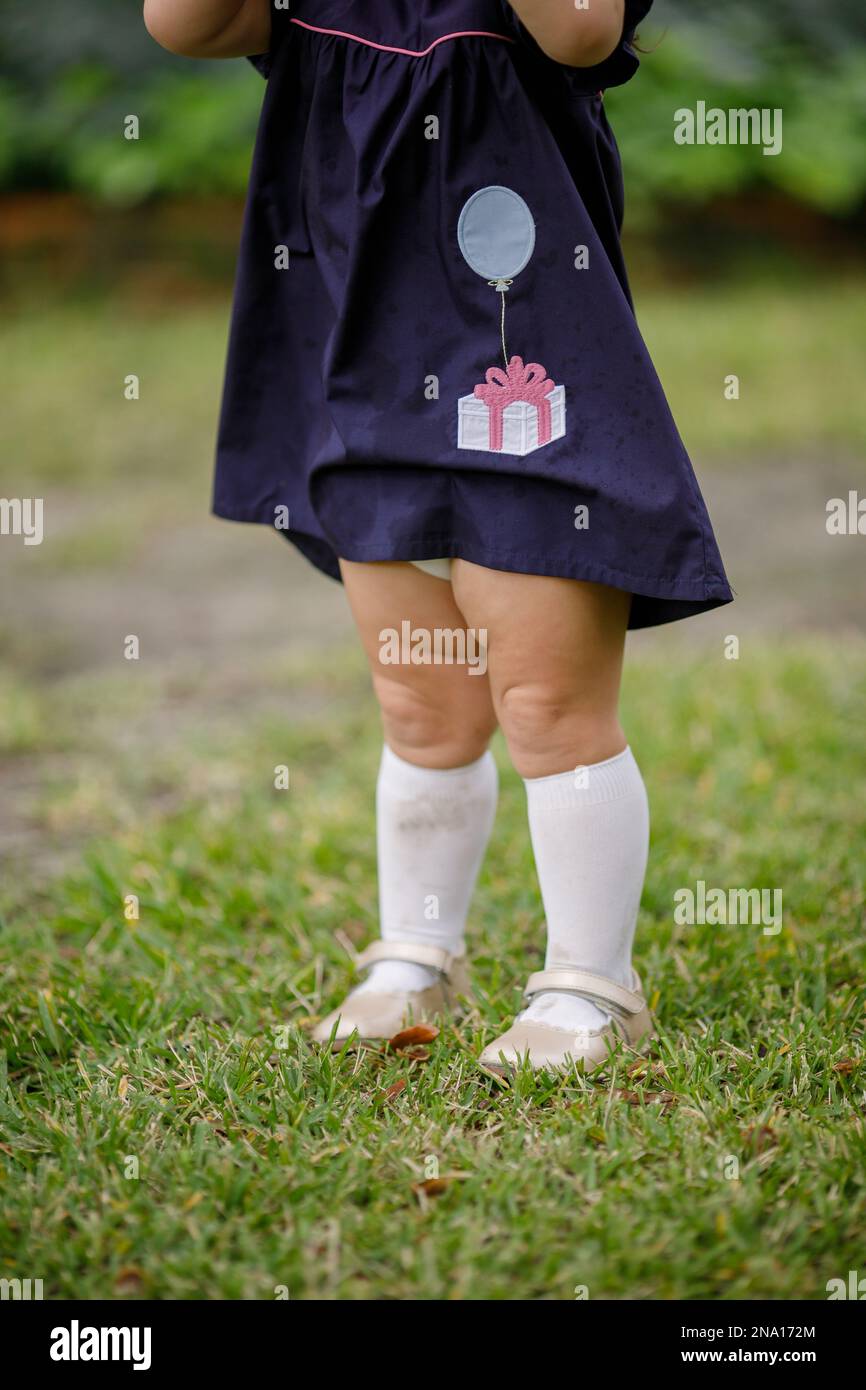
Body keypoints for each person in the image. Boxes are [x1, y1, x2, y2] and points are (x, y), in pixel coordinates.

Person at [143, 0, 733, 1072]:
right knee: (421, 700)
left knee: (547, 700)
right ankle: (417, 950)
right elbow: (186, 24)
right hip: (362, 375)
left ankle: (592, 981)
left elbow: (580, 32)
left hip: (530, 373)